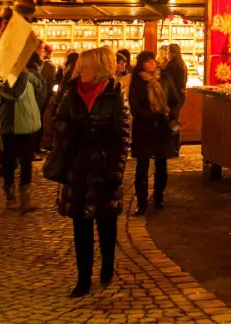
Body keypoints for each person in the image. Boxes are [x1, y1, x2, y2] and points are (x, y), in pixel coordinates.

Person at [53, 46, 129, 296]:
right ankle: (83, 277)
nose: (80, 69)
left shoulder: (115, 93)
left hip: (104, 167)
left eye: (85, 65)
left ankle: (107, 266)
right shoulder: (72, 90)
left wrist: (115, 172)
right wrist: (67, 132)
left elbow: (122, 137)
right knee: (80, 225)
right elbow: (59, 119)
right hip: (77, 166)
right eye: (80, 66)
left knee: (106, 224)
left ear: (98, 69)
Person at [129, 50, 180, 215]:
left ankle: (159, 196)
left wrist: (172, 115)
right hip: (144, 128)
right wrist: (152, 115)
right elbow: (135, 107)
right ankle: (141, 203)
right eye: (148, 61)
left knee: (161, 165)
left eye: (153, 61)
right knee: (142, 166)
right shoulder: (137, 81)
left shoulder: (164, 78)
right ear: (141, 64)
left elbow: (175, 100)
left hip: (162, 128)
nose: (152, 64)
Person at [0, 53, 48, 213]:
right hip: (12, 124)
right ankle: (10, 196)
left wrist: (34, 109)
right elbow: (17, 93)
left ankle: (25, 199)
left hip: (29, 123)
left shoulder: (29, 74)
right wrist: (25, 73)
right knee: (10, 160)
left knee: (27, 160)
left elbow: (42, 90)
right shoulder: (3, 77)